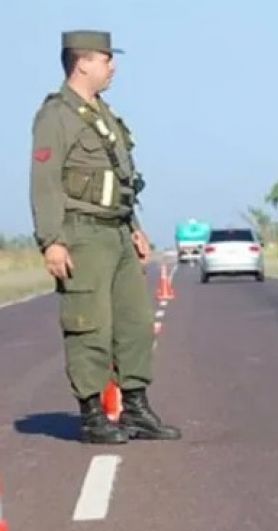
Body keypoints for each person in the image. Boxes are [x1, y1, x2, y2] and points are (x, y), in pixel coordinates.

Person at [29, 30, 180, 443]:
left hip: (117, 233)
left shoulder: (104, 115)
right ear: (82, 63)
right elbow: (45, 182)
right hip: (81, 234)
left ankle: (136, 408)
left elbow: (119, 180)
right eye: (105, 59)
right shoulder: (55, 116)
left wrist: (136, 229)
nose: (112, 67)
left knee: (134, 323)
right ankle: (92, 415)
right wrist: (52, 240)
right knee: (89, 325)